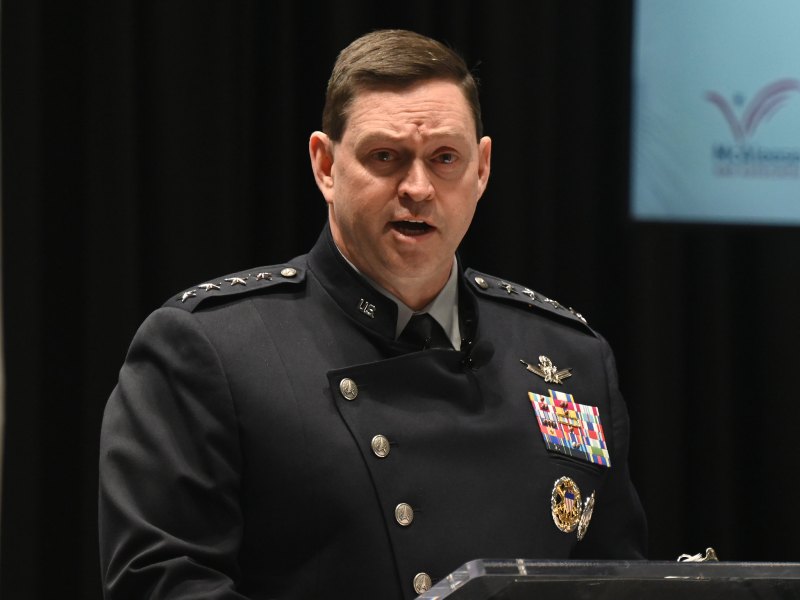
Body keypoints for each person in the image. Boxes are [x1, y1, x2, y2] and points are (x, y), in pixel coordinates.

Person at [99, 29, 647, 600]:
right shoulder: (210, 348)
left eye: (444, 159)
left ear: (481, 168)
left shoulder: (572, 357)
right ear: (325, 164)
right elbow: (163, 585)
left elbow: (614, 583)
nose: (418, 187)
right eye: (386, 157)